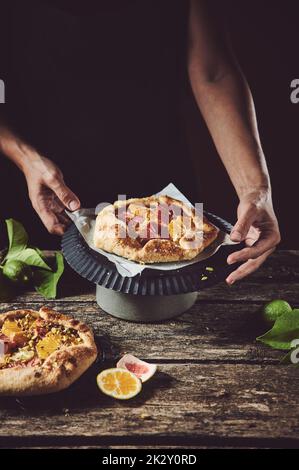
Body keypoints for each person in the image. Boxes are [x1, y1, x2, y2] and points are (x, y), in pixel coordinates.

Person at [0, 0, 280, 284]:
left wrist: (256, 190)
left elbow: (213, 71)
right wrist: (24, 157)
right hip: (44, 183)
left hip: (159, 178)